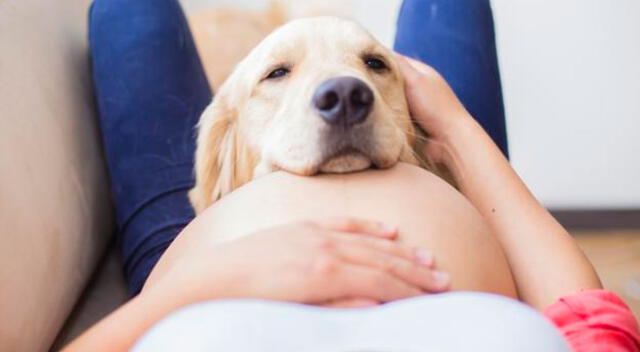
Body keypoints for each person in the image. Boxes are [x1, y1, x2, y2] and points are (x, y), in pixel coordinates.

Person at [63, 0, 640, 351]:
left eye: (370, 67)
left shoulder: (215, 191)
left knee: (127, 9)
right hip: (447, 191)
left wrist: (209, 274)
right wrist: (457, 132)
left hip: (206, 267)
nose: (343, 88)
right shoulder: (441, 133)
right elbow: (593, 326)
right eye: (281, 73)